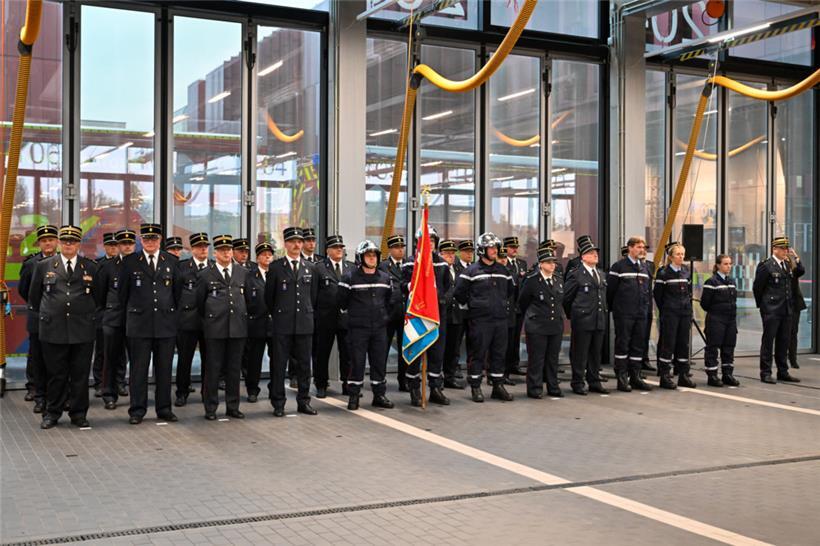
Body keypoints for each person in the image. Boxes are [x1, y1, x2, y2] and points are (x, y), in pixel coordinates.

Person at [28, 226, 99, 429]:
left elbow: (98, 297)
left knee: (80, 375)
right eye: (65, 241)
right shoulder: (44, 266)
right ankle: (52, 413)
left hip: (82, 330)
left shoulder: (90, 267)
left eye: (73, 242)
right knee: (56, 375)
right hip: (53, 330)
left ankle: (78, 414)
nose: (69, 245)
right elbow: (34, 296)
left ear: (78, 244)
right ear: (60, 243)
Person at [119, 223, 181, 424]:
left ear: (160, 240)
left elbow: (177, 294)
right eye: (146, 239)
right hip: (139, 325)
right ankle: (137, 410)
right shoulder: (130, 262)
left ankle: (164, 409)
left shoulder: (171, 261)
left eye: (154, 239)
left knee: (164, 370)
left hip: (165, 324)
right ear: (141, 241)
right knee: (138, 370)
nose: (150, 242)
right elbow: (122, 295)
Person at [454, 232, 514, 403]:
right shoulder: (471, 271)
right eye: (491, 248)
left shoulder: (503, 270)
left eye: (496, 247)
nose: (495, 250)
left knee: (499, 353)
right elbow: (459, 293)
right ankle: (475, 386)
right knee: (477, 353)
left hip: (500, 320)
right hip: (480, 321)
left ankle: (497, 386)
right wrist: (475, 306)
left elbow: (510, 291)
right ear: (482, 250)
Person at [265, 226, 319, 416]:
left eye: (299, 241)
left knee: (305, 365)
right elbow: (269, 298)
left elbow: (313, 296)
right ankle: (278, 403)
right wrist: (280, 314)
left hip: (304, 324)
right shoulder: (276, 267)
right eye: (293, 241)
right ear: (286, 244)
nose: (297, 245)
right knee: (279, 365)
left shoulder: (311, 268)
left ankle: (304, 401)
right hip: (283, 324)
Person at [196, 235, 249, 420]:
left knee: (234, 369)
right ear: (215, 252)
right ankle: (210, 407)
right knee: (213, 369)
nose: (226, 252)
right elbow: (200, 303)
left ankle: (232, 406)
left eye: (229, 249)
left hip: (237, 328)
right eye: (222, 249)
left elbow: (248, 299)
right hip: (215, 328)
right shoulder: (205, 275)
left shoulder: (243, 272)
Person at [337, 240, 394, 410]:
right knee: (356, 362)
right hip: (358, 329)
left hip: (379, 329)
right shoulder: (349, 277)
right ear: (360, 257)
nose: (372, 258)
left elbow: (390, 301)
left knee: (379, 363)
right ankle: (353, 396)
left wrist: (384, 318)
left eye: (374, 255)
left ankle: (379, 395)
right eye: (368, 255)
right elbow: (341, 301)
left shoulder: (385, 277)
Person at [402, 226, 451, 406]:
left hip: (438, 316)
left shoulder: (442, 263)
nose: (429, 243)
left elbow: (449, 287)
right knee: (417, 351)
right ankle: (414, 388)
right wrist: (414, 288)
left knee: (437, 353)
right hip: (418, 315)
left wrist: (443, 299)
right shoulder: (409, 263)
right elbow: (402, 286)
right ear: (417, 243)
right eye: (425, 240)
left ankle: (436, 388)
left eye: (432, 240)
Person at [94, 228, 136, 410]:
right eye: (123, 243)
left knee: (135, 359)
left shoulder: (141, 264)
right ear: (118, 246)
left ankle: (128, 389)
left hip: (136, 319)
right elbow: (100, 295)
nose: (127, 246)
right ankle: (109, 393)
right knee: (110, 357)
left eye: (130, 243)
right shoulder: (107, 266)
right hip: (114, 318)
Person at [19, 224, 59, 412]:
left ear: (57, 242)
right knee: (37, 356)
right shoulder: (31, 264)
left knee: (59, 358)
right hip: (38, 317)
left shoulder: (64, 262)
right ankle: (36, 390)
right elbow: (24, 290)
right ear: (39, 244)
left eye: (51, 240)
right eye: (44, 241)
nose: (48, 243)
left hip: (60, 319)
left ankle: (58, 395)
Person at [563, 237, 609, 396]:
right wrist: (574, 315)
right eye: (591, 252)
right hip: (582, 319)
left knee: (596, 353)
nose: (595, 255)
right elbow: (567, 298)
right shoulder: (576, 274)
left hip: (598, 319)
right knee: (580, 353)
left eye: (596, 252)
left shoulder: (601, 274)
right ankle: (577, 382)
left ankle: (594, 381)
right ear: (583, 256)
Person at [606, 236, 653, 392]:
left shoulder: (644, 268)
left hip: (641, 313)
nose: (642, 250)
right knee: (623, 344)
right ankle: (621, 377)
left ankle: (635, 376)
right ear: (630, 248)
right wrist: (617, 309)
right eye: (639, 247)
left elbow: (647, 292)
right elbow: (610, 291)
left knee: (638, 345)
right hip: (624, 313)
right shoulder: (619, 267)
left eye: (643, 248)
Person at [752, 236, 801, 384]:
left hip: (786, 309)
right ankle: (765, 372)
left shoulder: (787, 264)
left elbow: (799, 272)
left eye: (787, 248)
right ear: (775, 249)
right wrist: (764, 307)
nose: (786, 251)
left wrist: (796, 258)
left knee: (784, 341)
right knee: (768, 341)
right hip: (771, 310)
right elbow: (757, 288)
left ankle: (783, 371)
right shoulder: (766, 265)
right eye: (783, 249)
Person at [518, 246, 564, 398]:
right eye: (548, 262)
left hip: (555, 325)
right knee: (536, 359)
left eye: (553, 262)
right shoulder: (532, 281)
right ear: (541, 264)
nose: (552, 265)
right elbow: (523, 301)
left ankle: (553, 387)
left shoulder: (558, 279)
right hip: (537, 325)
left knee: (552, 359)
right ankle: (535, 388)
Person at [313, 234, 354, 398]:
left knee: (347, 354)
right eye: (336, 247)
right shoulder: (319, 268)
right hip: (325, 318)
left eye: (341, 248)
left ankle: (347, 383)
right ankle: (321, 384)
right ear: (328, 250)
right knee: (322, 353)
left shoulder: (351, 267)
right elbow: (313, 295)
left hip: (346, 318)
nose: (339, 250)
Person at [174, 233, 212, 407]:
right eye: (199, 246)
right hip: (187, 320)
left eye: (205, 246)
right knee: (185, 359)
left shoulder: (213, 267)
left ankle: (207, 393)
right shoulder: (182, 267)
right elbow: (175, 294)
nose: (203, 249)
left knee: (209, 359)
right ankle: (182, 392)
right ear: (192, 249)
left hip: (209, 322)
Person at [654, 242, 694, 389]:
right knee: (668, 344)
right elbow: (658, 295)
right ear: (670, 257)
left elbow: (688, 292)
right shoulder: (663, 273)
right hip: (670, 313)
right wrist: (665, 310)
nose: (681, 257)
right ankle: (665, 375)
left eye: (682, 254)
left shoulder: (686, 271)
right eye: (678, 254)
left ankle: (683, 375)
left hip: (684, 312)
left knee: (683, 344)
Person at [700, 254, 740, 387]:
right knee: (713, 347)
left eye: (730, 264)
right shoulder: (711, 282)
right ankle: (712, 376)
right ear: (718, 265)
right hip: (716, 320)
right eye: (725, 264)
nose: (728, 266)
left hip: (730, 320)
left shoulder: (731, 282)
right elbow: (705, 303)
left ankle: (727, 374)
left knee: (729, 347)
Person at [244, 241, 275, 403]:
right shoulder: (249, 276)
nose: (267, 256)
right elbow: (246, 300)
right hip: (256, 323)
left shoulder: (277, 273)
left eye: (270, 254)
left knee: (276, 359)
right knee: (254, 360)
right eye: (264, 254)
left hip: (275, 325)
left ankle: (274, 388)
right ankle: (252, 389)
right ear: (258, 258)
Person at [380, 234, 410, 392]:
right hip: (389, 312)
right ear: (390, 249)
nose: (400, 250)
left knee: (404, 348)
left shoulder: (408, 265)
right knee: (383, 348)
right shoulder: (384, 266)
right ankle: (380, 378)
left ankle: (403, 379)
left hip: (405, 311)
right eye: (397, 247)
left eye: (402, 247)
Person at [439, 240, 465, 390]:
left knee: (454, 348)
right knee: (440, 348)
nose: (451, 256)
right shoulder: (438, 270)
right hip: (442, 313)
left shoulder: (459, 269)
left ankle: (450, 377)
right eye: (447, 253)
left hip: (457, 314)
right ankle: (438, 377)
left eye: (452, 253)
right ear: (440, 254)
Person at [503, 236, 527, 377]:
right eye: (512, 247)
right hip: (508, 305)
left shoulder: (521, 263)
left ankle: (514, 364)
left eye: (516, 247)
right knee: (507, 338)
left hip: (519, 305)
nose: (514, 249)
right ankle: (505, 367)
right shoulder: (503, 263)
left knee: (516, 337)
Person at [786, 247, 806, 370]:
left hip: (794, 305)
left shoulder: (794, 272)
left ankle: (793, 359)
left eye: (789, 262)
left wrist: (795, 256)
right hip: (782, 305)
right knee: (782, 334)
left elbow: (801, 269)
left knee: (793, 333)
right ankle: (781, 357)